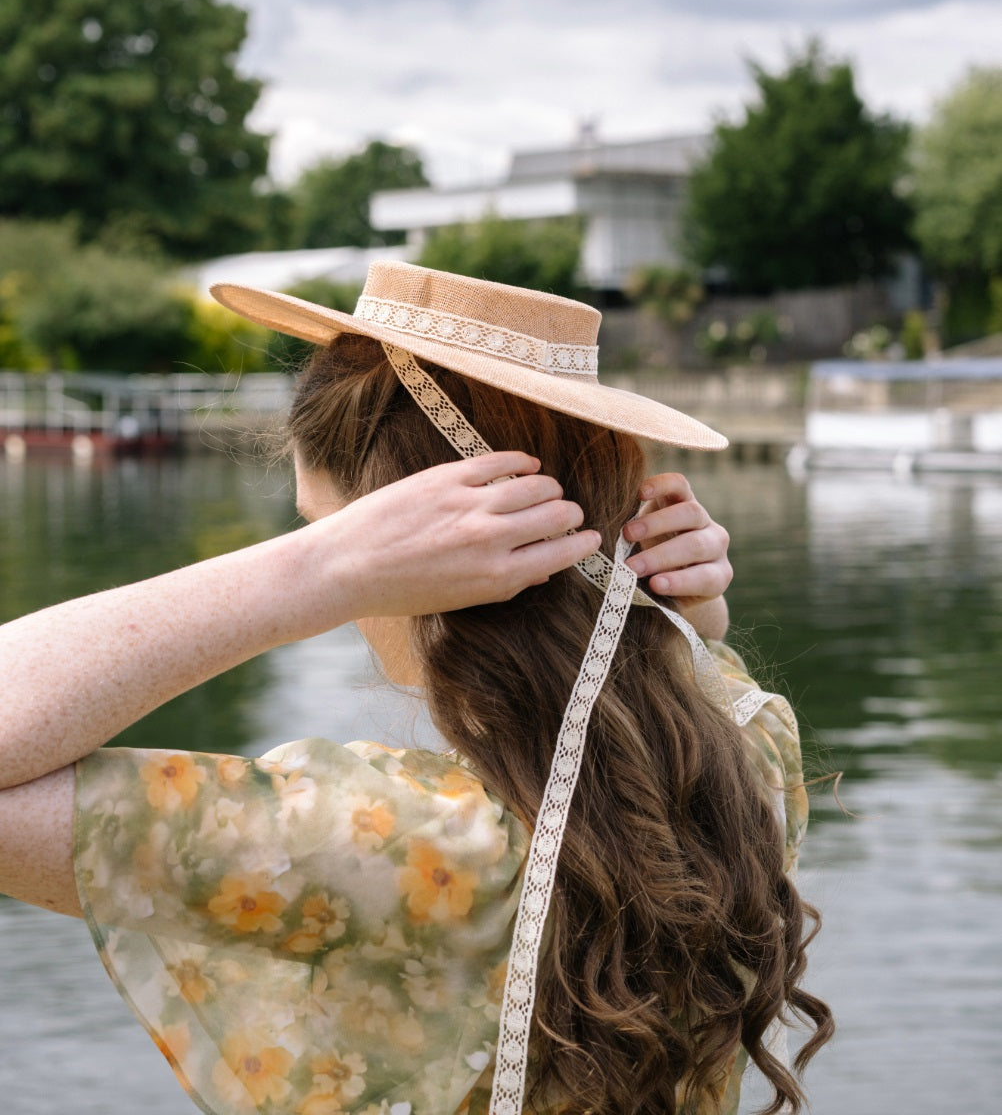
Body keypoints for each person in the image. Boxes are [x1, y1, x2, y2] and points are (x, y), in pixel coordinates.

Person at [0, 261, 831, 1115]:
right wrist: (685, 614)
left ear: (414, 552)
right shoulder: (751, 752)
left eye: (333, 528)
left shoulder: (398, 846)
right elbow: (684, 681)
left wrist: (313, 573)